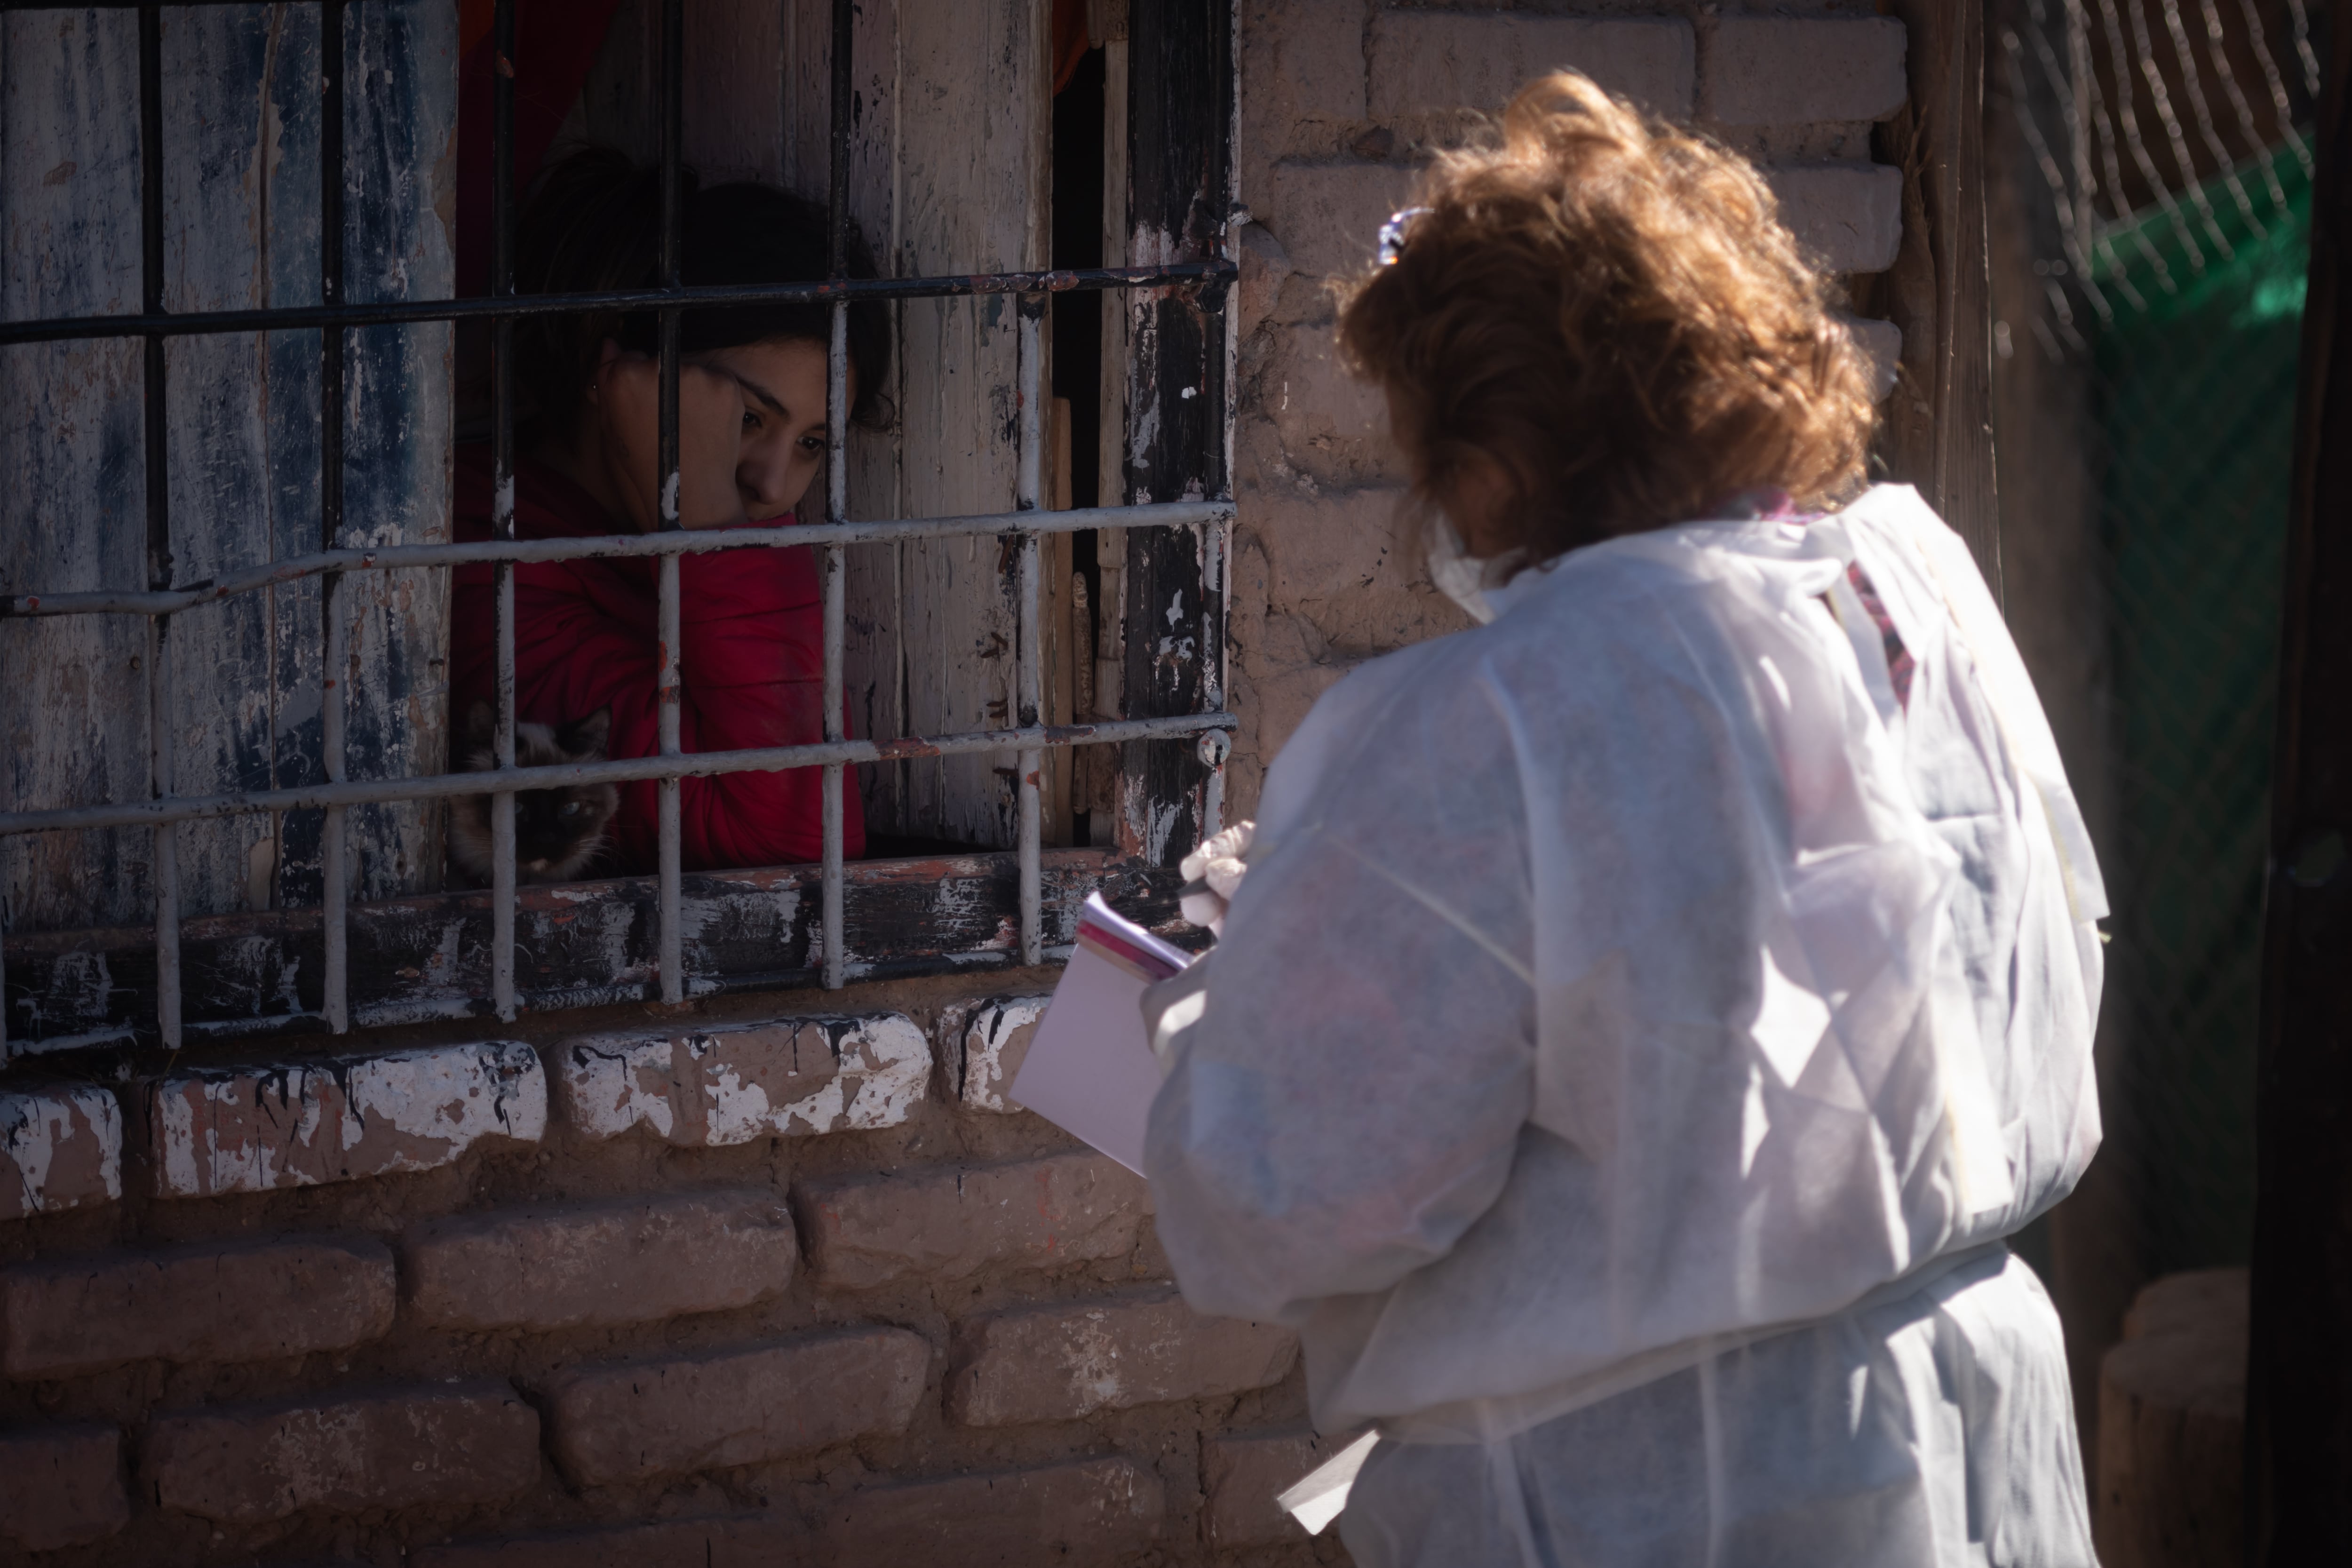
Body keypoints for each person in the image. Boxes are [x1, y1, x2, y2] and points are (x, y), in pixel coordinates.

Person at [1144, 74, 2106, 1566]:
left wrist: (1221, 1002)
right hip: (1971, 1430)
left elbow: (1292, 1193)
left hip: (1646, 1505)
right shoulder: (1913, 601)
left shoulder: (1499, 723)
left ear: (1499, 454)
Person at [448, 147, 890, 876]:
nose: (774, 486)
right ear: (616, 374)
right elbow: (794, 847)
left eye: (813, 442)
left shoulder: (634, 551)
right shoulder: (487, 567)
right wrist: (711, 513)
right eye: (746, 418)